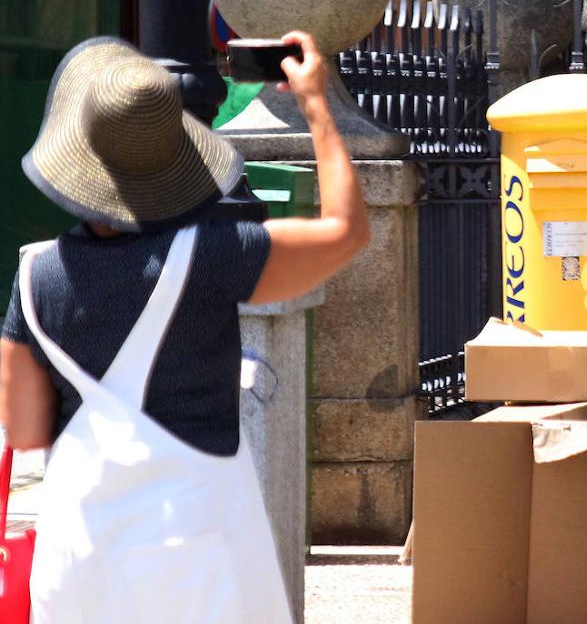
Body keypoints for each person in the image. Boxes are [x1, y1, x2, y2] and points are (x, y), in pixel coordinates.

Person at [0, 31, 367, 624]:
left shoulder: (34, 277)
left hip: (79, 560)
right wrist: (317, 104)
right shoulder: (213, 257)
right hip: (195, 551)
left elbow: (21, 428)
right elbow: (346, 231)